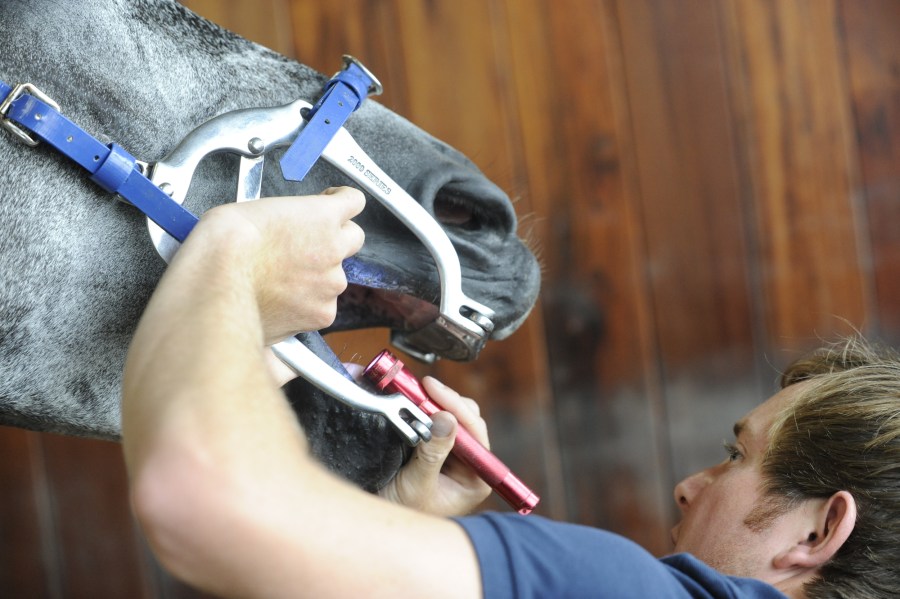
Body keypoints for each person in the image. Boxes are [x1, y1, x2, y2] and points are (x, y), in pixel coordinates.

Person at [121, 187, 899, 598]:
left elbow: (195, 502)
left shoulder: (626, 591)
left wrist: (236, 254)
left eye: (738, 456)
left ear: (819, 532)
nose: (690, 485)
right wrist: (400, 535)